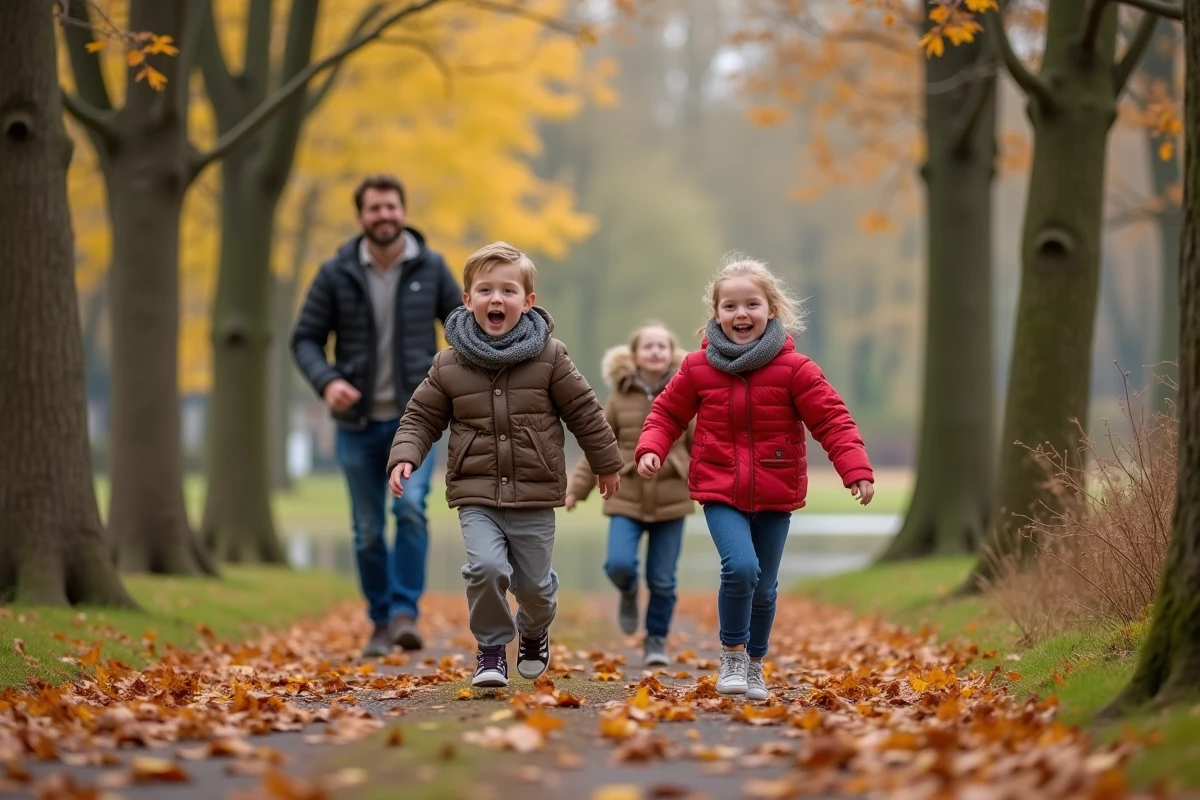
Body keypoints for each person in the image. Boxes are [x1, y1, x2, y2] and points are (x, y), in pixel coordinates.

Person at [634, 254, 875, 701]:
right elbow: (667, 412)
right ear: (716, 314)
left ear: (771, 311)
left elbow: (833, 421)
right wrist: (652, 446)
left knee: (764, 586)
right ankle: (732, 654)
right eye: (730, 306)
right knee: (741, 568)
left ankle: (756, 664)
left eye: (751, 305)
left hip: (776, 490)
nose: (740, 314)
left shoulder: (796, 369)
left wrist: (855, 469)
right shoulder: (697, 367)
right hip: (719, 487)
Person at [386, 241, 623, 688]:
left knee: (534, 588)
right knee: (487, 569)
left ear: (528, 301)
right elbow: (420, 417)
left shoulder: (551, 357)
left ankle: (534, 631)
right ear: (467, 299)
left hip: (535, 493)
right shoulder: (448, 364)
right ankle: (491, 649)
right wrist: (405, 456)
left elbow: (585, 412)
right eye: (485, 290)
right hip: (476, 493)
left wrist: (606, 462)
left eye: (509, 291)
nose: (497, 299)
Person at [291, 174, 462, 658]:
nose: (384, 216)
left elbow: (461, 331)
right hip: (356, 426)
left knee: (409, 511)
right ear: (361, 217)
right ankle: (380, 621)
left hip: (417, 421)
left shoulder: (431, 268)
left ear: (403, 212)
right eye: (374, 209)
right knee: (367, 529)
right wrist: (327, 382)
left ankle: (406, 613)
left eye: (391, 207)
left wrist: (447, 383)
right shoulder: (336, 272)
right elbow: (304, 338)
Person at [564, 323, 694, 667]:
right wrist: (577, 491)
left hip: (672, 498)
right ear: (634, 356)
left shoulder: (686, 392)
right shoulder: (619, 399)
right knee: (619, 562)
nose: (655, 352)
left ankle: (656, 640)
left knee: (663, 578)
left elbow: (702, 446)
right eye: (648, 346)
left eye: (662, 346)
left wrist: (695, 474)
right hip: (625, 494)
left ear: (671, 353)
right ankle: (628, 590)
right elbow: (599, 446)